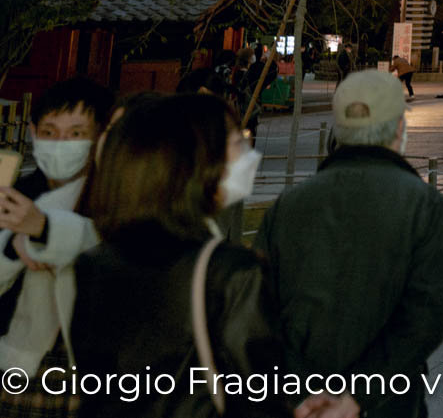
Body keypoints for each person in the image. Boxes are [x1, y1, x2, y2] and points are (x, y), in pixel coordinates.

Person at [71, 95, 351, 418]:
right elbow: (257, 397)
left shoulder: (95, 263)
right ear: (197, 159)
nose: (247, 153)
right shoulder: (231, 272)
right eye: (236, 141)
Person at [257, 69, 443, 418]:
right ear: (398, 128)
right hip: (389, 401)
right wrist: (359, 393)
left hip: (299, 400)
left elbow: (261, 308)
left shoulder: (290, 204)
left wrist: (303, 389)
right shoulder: (423, 204)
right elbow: (426, 313)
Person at [0, 77, 112, 414]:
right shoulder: (18, 191)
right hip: (19, 363)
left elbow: (109, 251)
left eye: (77, 133)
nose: (61, 143)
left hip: (96, 365)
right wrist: (11, 246)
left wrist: (43, 229)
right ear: (33, 132)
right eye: (50, 132)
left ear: (99, 136)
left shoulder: (117, 196)